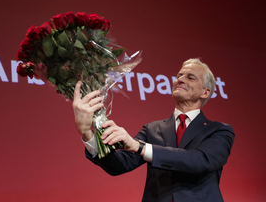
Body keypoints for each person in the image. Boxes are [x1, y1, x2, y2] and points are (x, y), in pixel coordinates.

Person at [72, 58, 235, 202]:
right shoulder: (153, 129)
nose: (180, 80)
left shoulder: (219, 131)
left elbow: (201, 161)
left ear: (205, 92)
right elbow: (120, 165)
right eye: (179, 76)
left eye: (190, 77)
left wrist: (139, 147)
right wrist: (87, 133)